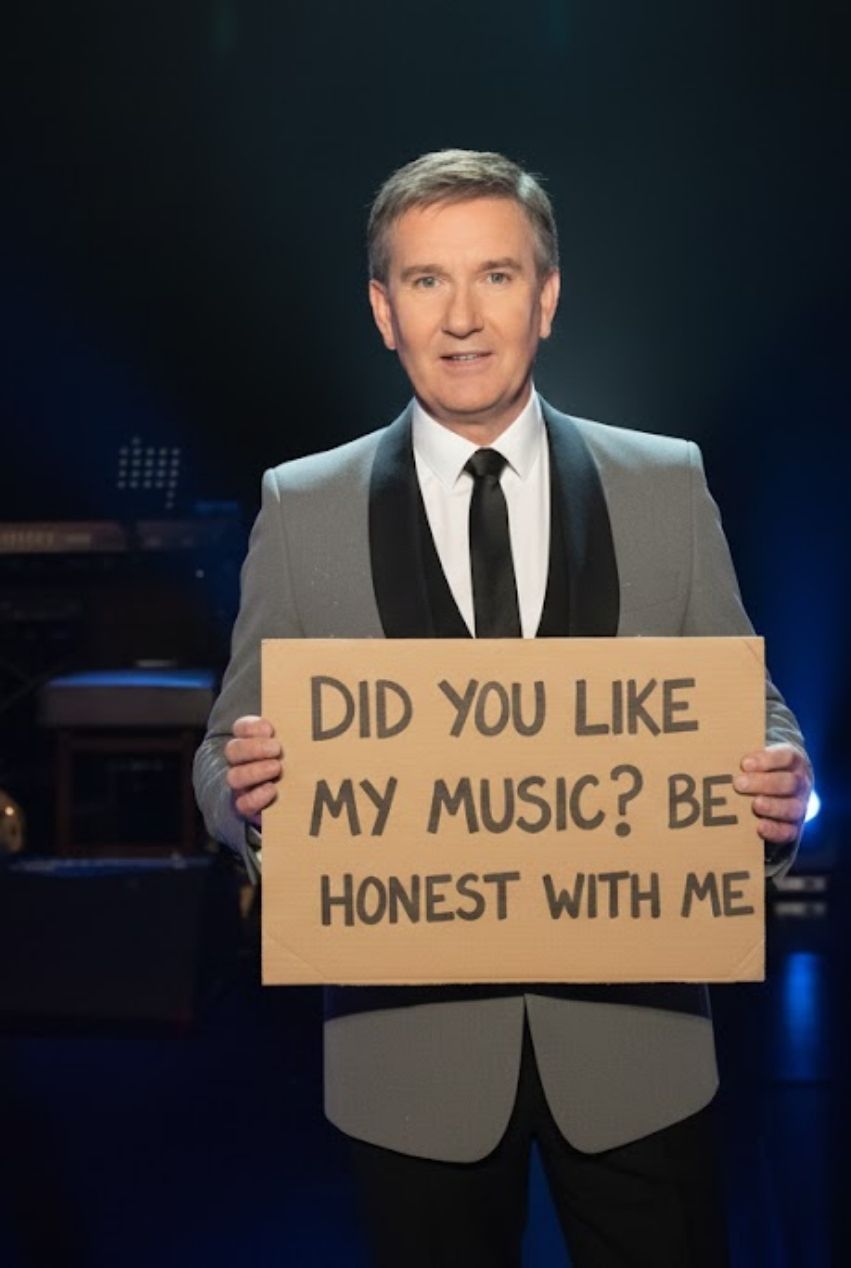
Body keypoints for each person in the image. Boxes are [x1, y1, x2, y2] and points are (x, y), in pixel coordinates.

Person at [193, 149, 811, 1267]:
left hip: (636, 1049)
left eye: (497, 275)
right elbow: (220, 751)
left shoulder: (665, 483)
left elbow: (748, 703)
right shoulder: (303, 505)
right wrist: (252, 803)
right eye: (427, 280)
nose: (463, 316)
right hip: (410, 1061)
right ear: (384, 310)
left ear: (548, 297)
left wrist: (778, 780)